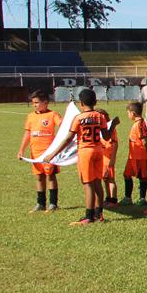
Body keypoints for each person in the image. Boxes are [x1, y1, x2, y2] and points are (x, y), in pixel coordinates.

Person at [52, 88, 118, 225]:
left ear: (81, 103)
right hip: (98, 151)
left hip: (85, 152)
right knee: (97, 182)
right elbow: (106, 136)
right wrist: (114, 125)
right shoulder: (100, 116)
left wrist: (54, 153)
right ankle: (99, 214)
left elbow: (68, 138)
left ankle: (89, 216)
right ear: (95, 101)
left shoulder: (79, 118)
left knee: (88, 185)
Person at [18, 89, 62, 212]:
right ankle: (40, 203)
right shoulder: (31, 116)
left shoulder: (53, 114)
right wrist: (21, 149)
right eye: (33, 103)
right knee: (39, 177)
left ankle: (53, 204)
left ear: (46, 102)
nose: (34, 105)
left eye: (37, 102)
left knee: (50, 177)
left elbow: (63, 127)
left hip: (49, 153)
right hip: (35, 153)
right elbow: (27, 133)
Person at [122, 102, 147, 205]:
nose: (128, 115)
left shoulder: (140, 124)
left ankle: (142, 198)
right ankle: (128, 198)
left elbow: (144, 139)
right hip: (133, 156)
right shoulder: (137, 123)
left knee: (142, 176)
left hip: (139, 156)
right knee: (126, 174)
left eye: (128, 113)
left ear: (133, 113)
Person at [99, 107, 119, 205]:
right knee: (105, 178)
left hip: (108, 156)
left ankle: (114, 200)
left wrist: (113, 158)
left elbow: (115, 144)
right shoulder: (101, 128)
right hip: (102, 157)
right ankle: (108, 198)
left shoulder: (110, 128)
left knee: (110, 179)